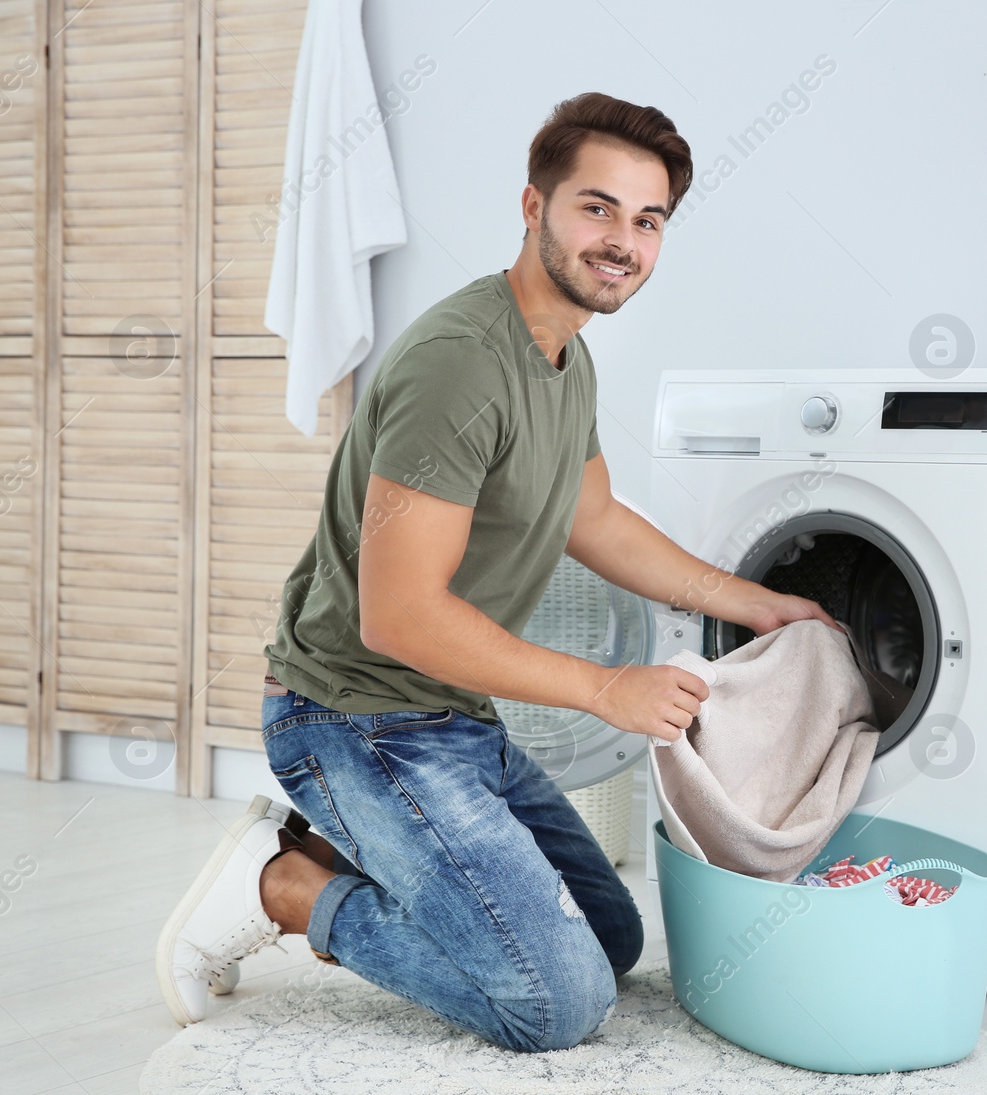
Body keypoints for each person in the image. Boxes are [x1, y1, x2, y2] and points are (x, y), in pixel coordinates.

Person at [155, 91, 834, 1051]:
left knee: (612, 939)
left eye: (648, 221)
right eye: (597, 207)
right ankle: (287, 884)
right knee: (555, 1002)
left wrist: (760, 604)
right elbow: (398, 618)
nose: (623, 241)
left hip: (453, 720)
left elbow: (594, 519)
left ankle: (344, 845)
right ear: (534, 207)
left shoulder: (564, 357)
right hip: (355, 718)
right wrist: (606, 687)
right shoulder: (460, 366)